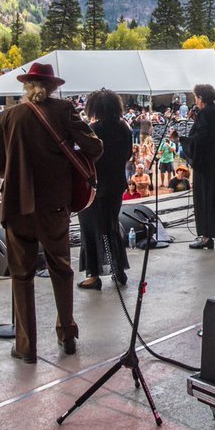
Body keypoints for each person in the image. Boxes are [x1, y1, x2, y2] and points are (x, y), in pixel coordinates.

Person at [0, 62, 103, 363]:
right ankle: (67, 335)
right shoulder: (64, 111)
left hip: (17, 207)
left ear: (27, 86)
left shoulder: (7, 117)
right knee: (61, 268)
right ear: (52, 87)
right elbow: (94, 148)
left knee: (21, 275)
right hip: (54, 205)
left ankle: (26, 347)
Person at [77, 88, 132, 291]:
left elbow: (83, 156)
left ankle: (93, 274)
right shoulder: (124, 128)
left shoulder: (92, 129)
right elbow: (127, 155)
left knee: (90, 229)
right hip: (116, 184)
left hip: (94, 187)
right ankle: (118, 270)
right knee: (111, 225)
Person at [183, 83, 215, 249]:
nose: (195, 100)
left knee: (204, 198)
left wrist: (180, 140)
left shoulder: (205, 114)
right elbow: (212, 133)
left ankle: (205, 236)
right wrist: (197, 119)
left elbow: (201, 138)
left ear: (201, 98)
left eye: (196, 97)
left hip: (206, 163)